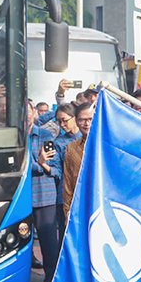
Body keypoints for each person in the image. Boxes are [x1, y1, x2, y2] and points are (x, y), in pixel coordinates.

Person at [27, 102, 60, 282]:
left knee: (48, 241)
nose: (26, 116)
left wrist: (38, 165)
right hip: (21, 197)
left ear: (34, 114)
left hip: (44, 195)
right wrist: (39, 164)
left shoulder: (45, 136)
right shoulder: (14, 137)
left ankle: (52, 278)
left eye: (28, 111)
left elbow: (54, 169)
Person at [53, 103, 82, 241]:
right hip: (65, 194)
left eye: (65, 120)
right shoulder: (59, 142)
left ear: (74, 117)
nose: (62, 124)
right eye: (59, 121)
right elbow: (58, 171)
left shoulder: (89, 136)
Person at [62, 102, 94, 220]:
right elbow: (68, 183)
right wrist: (67, 211)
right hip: (79, 207)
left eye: (90, 119)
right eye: (82, 120)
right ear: (76, 121)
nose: (87, 124)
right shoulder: (71, 148)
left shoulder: (108, 146)